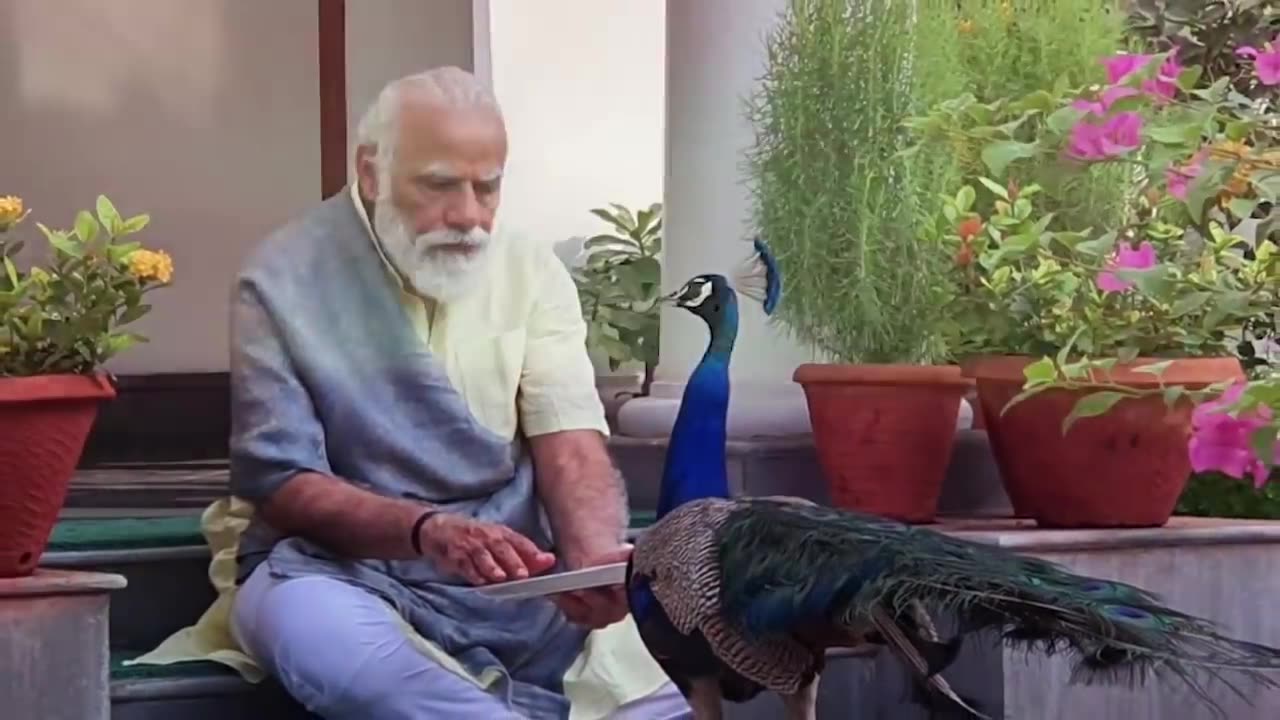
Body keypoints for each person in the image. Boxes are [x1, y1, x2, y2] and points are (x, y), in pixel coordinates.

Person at [131, 66, 690, 720]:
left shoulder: (531, 269)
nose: (468, 215)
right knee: (329, 642)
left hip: (515, 571)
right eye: (440, 185)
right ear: (370, 173)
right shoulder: (283, 278)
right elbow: (281, 481)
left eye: (488, 187)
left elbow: (569, 441)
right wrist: (426, 532)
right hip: (333, 569)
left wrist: (591, 558)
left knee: (661, 692)